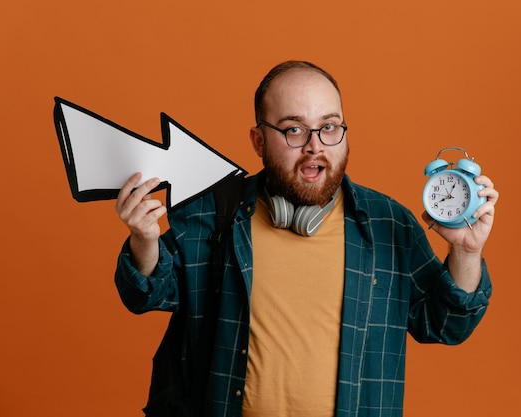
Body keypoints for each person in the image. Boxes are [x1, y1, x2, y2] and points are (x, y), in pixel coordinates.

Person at [114, 60, 499, 417]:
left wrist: (466, 252)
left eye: (329, 127)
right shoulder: (212, 214)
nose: (315, 145)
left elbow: (446, 325)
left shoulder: (388, 224)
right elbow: (147, 292)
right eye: (294, 129)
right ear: (259, 141)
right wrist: (144, 240)